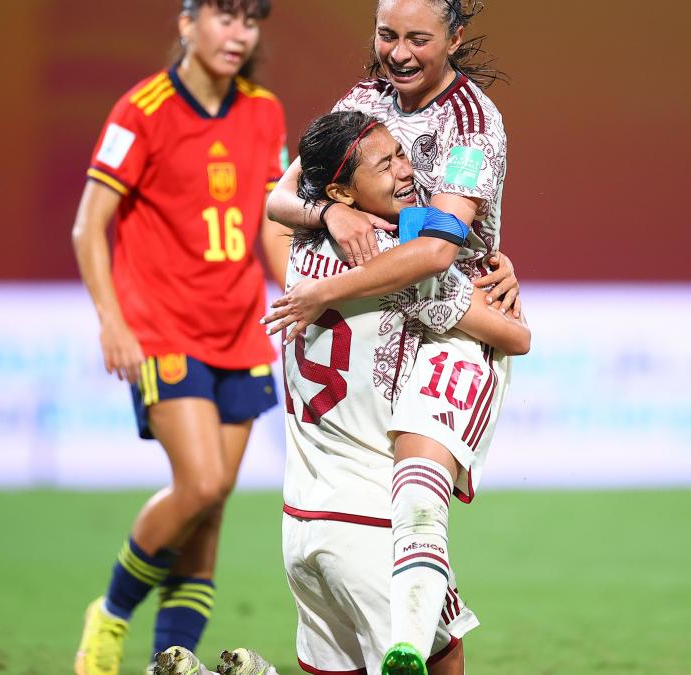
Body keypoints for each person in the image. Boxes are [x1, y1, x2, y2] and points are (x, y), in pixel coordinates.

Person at [263, 2, 513, 673]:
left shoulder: (471, 125)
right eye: (385, 35)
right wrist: (328, 211)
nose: (397, 54)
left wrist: (326, 283)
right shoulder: (364, 99)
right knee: (397, 515)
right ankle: (413, 623)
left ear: (455, 37)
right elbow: (279, 197)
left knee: (417, 483)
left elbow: (435, 254)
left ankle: (410, 621)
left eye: (417, 39)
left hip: (450, 320)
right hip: (403, 303)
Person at [69, 1, 290, 674]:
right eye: (225, 17)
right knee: (197, 485)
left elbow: (273, 224)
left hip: (241, 329)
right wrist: (112, 319)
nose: (239, 34)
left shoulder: (264, 111)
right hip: (164, 330)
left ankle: (174, 663)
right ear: (187, 22)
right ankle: (109, 614)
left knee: (212, 506)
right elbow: (88, 228)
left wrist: (304, 296)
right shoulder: (142, 109)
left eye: (250, 21)